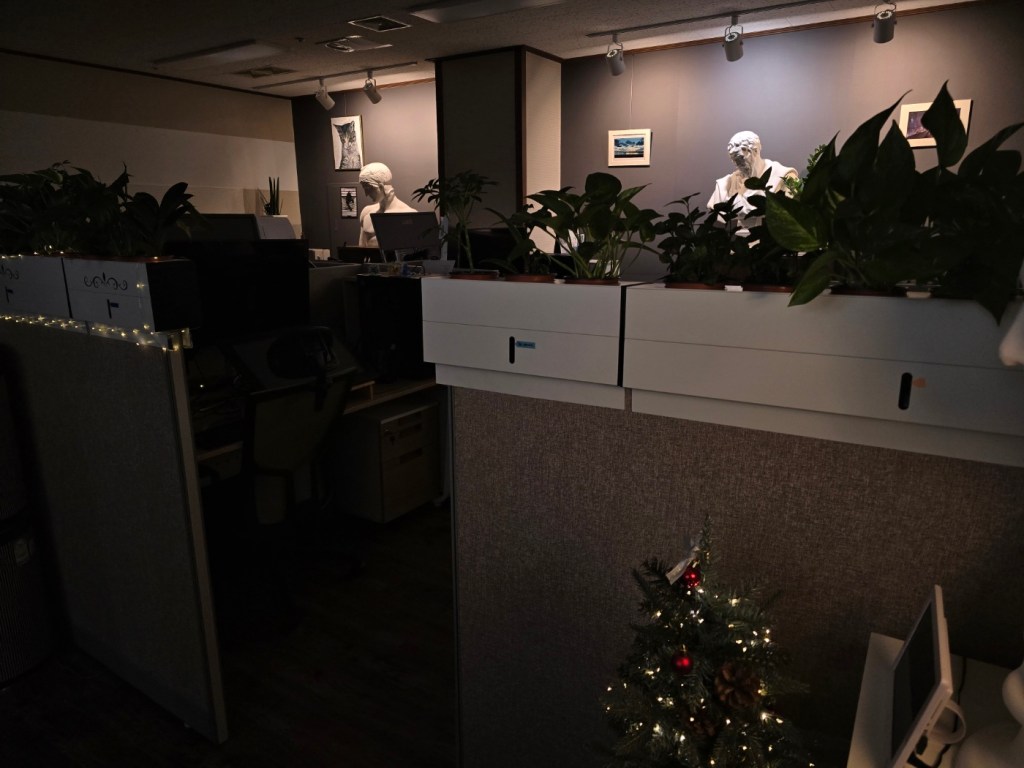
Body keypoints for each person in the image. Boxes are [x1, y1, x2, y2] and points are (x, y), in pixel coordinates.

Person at [706, 131, 797, 225]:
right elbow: (717, 209)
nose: (738, 164)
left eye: (741, 158)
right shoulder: (725, 185)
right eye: (734, 160)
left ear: (755, 151)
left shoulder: (784, 176)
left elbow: (790, 208)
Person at [357, 162, 416, 247]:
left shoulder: (409, 214)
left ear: (381, 187)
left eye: (369, 188)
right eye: (364, 188)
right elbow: (361, 248)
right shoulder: (366, 212)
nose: (366, 194)